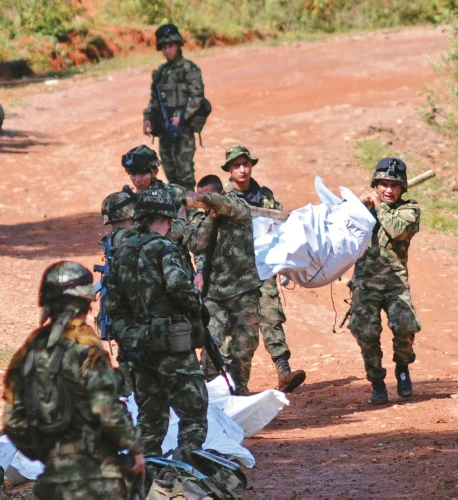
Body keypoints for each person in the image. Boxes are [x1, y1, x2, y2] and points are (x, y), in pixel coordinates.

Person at [2, 261, 145, 500]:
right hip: (97, 477)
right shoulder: (86, 348)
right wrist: (133, 448)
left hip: (55, 478)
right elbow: (106, 408)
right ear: (86, 302)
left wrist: (48, 453)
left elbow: (13, 421)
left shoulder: (29, 351)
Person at [104, 186, 209, 457]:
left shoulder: (122, 253)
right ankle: (188, 475)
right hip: (172, 346)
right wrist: (196, 305)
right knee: (193, 415)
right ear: (168, 219)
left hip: (139, 350)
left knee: (149, 423)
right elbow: (178, 286)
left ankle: (142, 480)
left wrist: (130, 334)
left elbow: (113, 306)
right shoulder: (165, 248)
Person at [220, 147, 307, 393]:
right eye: (236, 165)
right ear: (229, 169)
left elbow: (282, 226)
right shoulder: (223, 196)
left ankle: (283, 370)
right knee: (234, 326)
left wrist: (286, 263)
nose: (242, 169)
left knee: (271, 315)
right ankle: (228, 381)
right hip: (234, 272)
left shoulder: (265, 196)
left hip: (265, 265)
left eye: (245, 164)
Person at [347, 157, 422, 404]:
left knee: (405, 327)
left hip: (395, 284)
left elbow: (396, 229)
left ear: (402, 188)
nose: (389, 190)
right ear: (375, 185)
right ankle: (377, 382)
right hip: (365, 283)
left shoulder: (409, 210)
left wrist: (378, 206)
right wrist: (356, 206)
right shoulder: (363, 209)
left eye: (394, 185)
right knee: (366, 332)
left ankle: (402, 367)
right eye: (383, 185)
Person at [186, 162, 262, 396]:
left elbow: (230, 206)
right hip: (214, 295)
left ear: (220, 193)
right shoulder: (199, 218)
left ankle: (240, 392)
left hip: (244, 290)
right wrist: (209, 215)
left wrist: (210, 201)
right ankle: (213, 396)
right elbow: (196, 243)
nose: (202, 202)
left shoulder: (236, 204)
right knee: (211, 349)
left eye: (207, 197)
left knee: (243, 348)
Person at [142, 23, 204, 189]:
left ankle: (190, 211)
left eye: (170, 46)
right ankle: (176, 211)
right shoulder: (160, 73)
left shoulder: (189, 69)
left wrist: (182, 117)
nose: (167, 50)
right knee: (169, 171)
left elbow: (197, 97)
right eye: (164, 47)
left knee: (185, 173)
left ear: (178, 45)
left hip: (183, 129)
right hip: (165, 128)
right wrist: (148, 118)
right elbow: (154, 100)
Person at [95, 187, 139, 394]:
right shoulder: (137, 238)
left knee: (126, 362)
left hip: (119, 316)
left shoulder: (111, 241)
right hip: (139, 316)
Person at [121, 145, 189, 247]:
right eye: (133, 174)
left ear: (155, 172)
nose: (138, 180)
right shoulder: (128, 200)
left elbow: (193, 229)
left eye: (143, 173)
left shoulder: (175, 194)